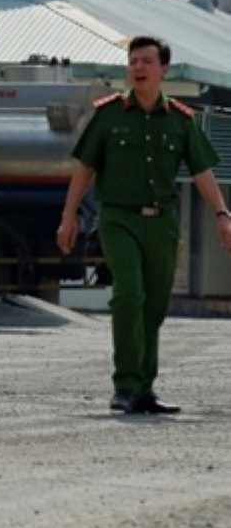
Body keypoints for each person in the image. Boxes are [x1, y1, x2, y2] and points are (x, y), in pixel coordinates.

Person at [57, 36, 231, 415]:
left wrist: (222, 214)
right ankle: (124, 385)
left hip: (162, 225)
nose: (137, 67)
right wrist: (68, 216)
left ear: (163, 70)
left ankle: (145, 390)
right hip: (119, 219)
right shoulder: (109, 115)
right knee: (129, 295)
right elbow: (84, 167)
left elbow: (202, 171)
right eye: (132, 61)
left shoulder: (181, 121)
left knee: (153, 307)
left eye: (146, 61)